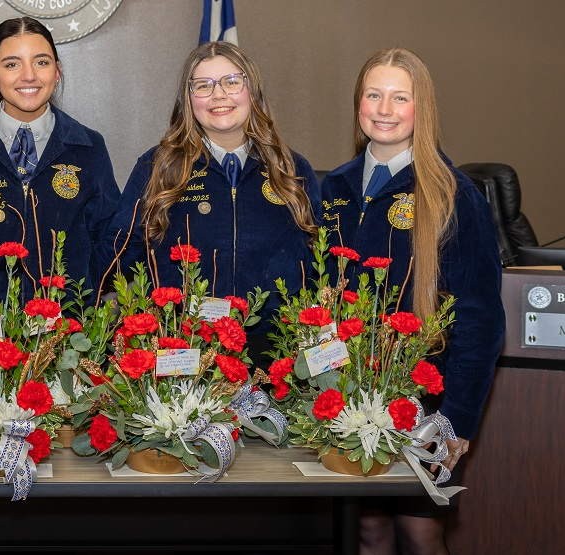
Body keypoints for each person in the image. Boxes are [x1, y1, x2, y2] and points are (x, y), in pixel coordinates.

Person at [317, 48, 505, 555]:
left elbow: (481, 321)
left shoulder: (454, 195)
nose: (384, 108)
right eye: (373, 95)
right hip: (347, 398)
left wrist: (458, 421)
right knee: (368, 530)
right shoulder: (329, 188)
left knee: (421, 534)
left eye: (401, 97)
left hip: (427, 404)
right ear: (357, 104)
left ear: (422, 109)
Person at [109, 41, 320, 363]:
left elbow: (322, 263)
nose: (219, 95)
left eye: (232, 82)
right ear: (188, 98)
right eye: (203, 86)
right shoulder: (158, 167)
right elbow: (121, 253)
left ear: (253, 92)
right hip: (183, 345)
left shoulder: (292, 170)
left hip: (277, 350)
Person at [0, 16, 119, 307]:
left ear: (57, 72)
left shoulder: (89, 147)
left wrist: (81, 294)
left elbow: (109, 238)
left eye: (41, 62)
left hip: (67, 328)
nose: (29, 75)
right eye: (12, 64)